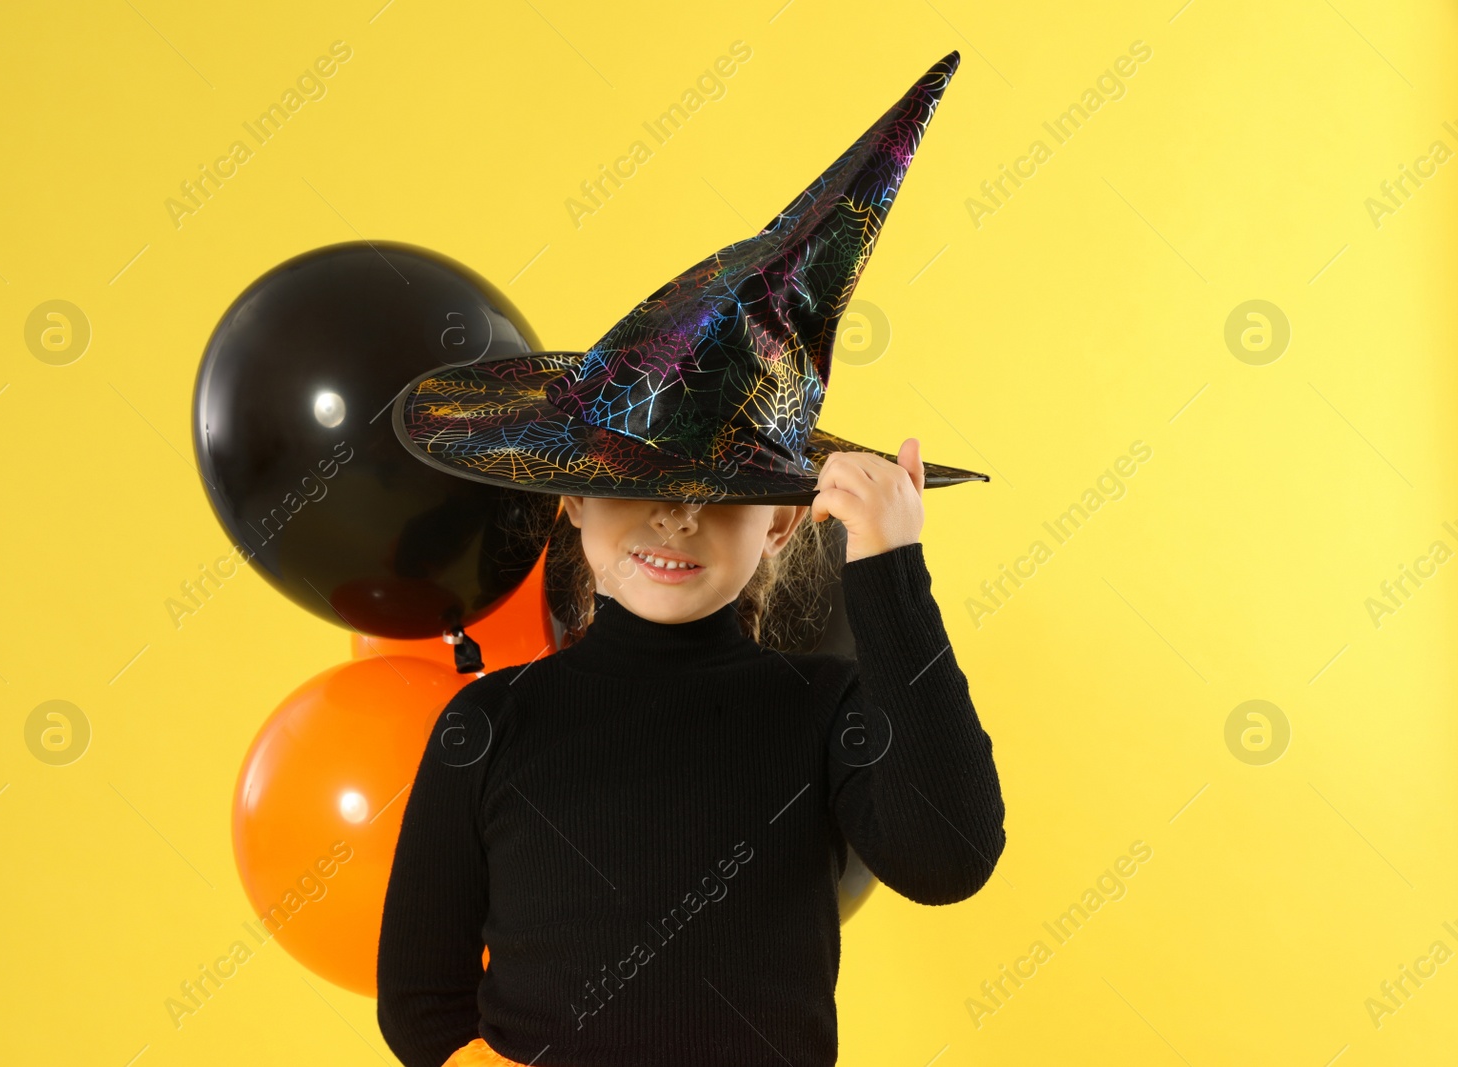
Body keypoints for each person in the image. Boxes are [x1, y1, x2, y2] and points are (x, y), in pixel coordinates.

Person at [377, 50, 1004, 1067]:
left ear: (783, 523)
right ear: (571, 497)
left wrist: (891, 567)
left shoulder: (824, 710)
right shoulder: (490, 724)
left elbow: (948, 856)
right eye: (638, 486)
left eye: (719, 498)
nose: (675, 522)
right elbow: (421, 1003)